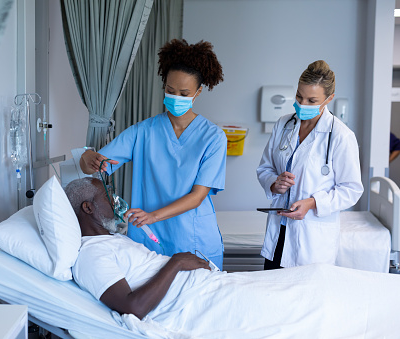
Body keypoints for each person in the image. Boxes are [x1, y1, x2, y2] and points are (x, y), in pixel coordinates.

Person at [65, 177, 400, 338]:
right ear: (88, 208)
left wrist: (183, 265)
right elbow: (133, 307)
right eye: (108, 197)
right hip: (201, 303)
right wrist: (178, 262)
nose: (117, 200)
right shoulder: (90, 255)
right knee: (312, 302)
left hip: (211, 287)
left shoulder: (112, 241)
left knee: (317, 280)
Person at [79, 39, 227, 269]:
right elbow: (98, 164)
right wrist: (87, 157)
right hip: (149, 239)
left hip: (194, 237)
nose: (175, 97)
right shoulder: (142, 132)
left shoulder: (213, 137)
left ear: (197, 93)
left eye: (184, 93)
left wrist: (153, 216)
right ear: (163, 87)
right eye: (170, 90)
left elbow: (198, 196)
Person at [256, 60, 364, 270]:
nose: (302, 104)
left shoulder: (341, 136)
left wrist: (313, 203)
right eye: (299, 96)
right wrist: (274, 183)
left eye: (312, 100)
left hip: (311, 241)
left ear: (329, 99)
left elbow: (351, 189)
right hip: (278, 234)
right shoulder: (283, 124)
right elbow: (265, 167)